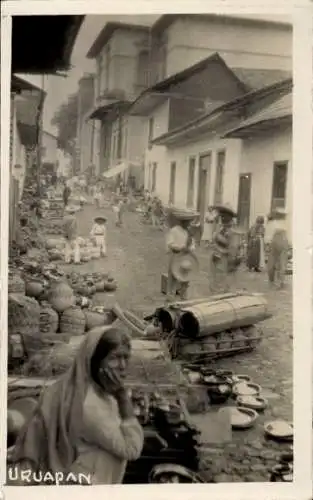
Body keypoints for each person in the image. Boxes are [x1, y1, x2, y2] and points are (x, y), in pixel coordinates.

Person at [8, 326, 144, 485]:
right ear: (94, 360)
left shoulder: (66, 387)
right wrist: (122, 397)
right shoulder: (90, 406)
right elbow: (131, 449)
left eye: (126, 358)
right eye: (114, 357)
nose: (122, 366)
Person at [209, 205, 241, 294]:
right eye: (221, 216)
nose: (222, 218)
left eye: (224, 216)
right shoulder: (221, 228)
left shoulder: (233, 230)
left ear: (230, 217)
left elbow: (233, 248)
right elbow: (214, 240)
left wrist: (232, 263)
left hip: (225, 259)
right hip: (217, 258)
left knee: (224, 282)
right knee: (216, 280)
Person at [165, 210, 196, 300]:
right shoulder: (174, 230)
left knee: (186, 275)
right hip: (176, 255)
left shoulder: (189, 232)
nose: (188, 224)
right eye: (186, 222)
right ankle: (170, 295)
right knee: (173, 275)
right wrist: (180, 247)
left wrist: (190, 248)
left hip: (186, 256)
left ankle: (183, 294)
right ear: (181, 221)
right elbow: (170, 243)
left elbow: (193, 244)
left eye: (189, 222)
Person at [265, 209, 289, 289]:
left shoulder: (272, 223)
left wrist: (267, 244)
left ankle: (276, 281)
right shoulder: (283, 223)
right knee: (280, 263)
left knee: (276, 263)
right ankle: (278, 281)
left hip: (277, 241)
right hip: (280, 241)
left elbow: (268, 235)